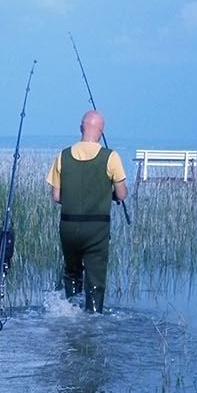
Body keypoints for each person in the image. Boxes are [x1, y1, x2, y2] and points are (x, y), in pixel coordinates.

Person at [46, 110, 128, 313]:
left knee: (72, 273)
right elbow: (122, 194)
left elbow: (56, 197)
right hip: (97, 228)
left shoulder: (62, 156)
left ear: (81, 128)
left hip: (68, 226)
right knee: (95, 281)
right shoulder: (111, 157)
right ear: (101, 131)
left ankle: (70, 311)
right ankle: (92, 320)